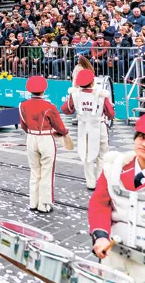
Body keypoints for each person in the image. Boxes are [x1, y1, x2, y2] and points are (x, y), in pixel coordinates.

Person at [89, 112, 145, 282]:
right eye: (142, 137)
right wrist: (100, 236)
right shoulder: (113, 168)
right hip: (113, 251)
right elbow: (99, 204)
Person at [19, 75, 69, 213]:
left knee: (34, 171)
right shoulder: (49, 106)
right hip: (46, 138)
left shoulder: (23, 105)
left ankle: (33, 202)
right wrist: (64, 132)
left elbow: (23, 125)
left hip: (31, 137)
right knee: (47, 171)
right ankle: (44, 204)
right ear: (44, 89)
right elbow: (59, 126)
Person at [62, 69, 115, 190]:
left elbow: (65, 110)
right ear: (92, 82)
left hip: (84, 128)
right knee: (102, 156)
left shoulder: (75, 94)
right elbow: (111, 114)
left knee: (87, 155)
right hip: (99, 127)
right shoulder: (101, 95)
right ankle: (101, 180)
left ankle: (90, 182)